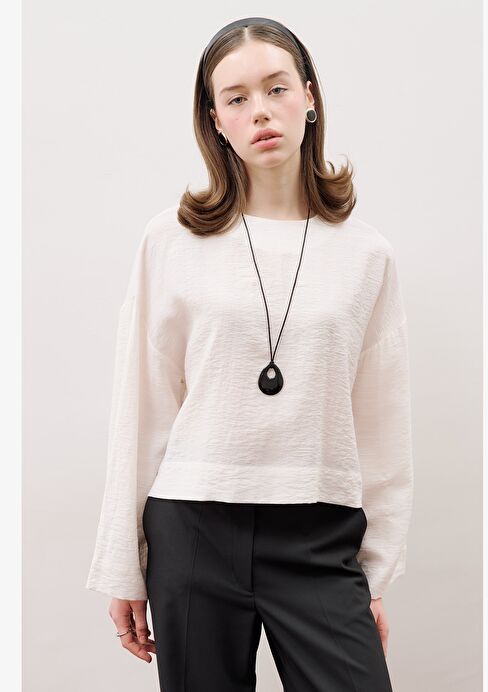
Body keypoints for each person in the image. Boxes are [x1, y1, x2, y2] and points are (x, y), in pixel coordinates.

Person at [85, 16, 414, 692]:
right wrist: (124, 564)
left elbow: (381, 424)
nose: (259, 110)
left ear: (309, 96)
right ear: (216, 120)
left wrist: (375, 574)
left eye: (276, 88)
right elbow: (143, 405)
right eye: (236, 98)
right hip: (193, 528)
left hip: (319, 533)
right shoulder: (171, 241)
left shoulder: (365, 253)